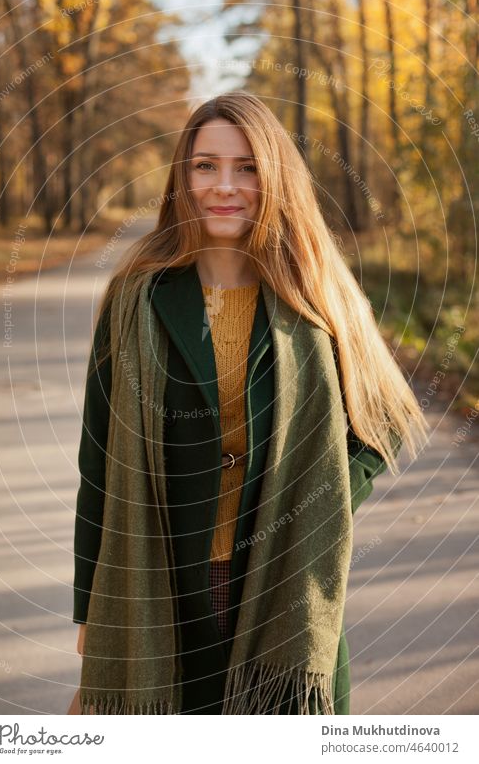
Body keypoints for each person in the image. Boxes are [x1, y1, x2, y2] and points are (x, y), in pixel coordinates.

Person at [69, 91, 429, 715]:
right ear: (182, 178)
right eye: (205, 166)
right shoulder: (136, 296)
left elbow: (384, 417)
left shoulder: (314, 288)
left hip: (284, 583)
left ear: (275, 177)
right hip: (163, 585)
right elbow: (97, 461)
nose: (223, 186)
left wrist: (321, 503)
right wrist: (87, 604)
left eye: (247, 168)